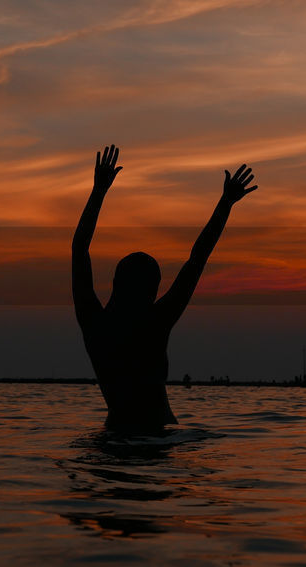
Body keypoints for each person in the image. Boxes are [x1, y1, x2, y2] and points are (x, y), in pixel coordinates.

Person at [72, 144, 257, 429]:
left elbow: (79, 250)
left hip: (116, 436)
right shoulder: (155, 323)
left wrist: (99, 190)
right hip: (158, 438)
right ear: (152, 291)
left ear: (115, 284)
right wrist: (225, 204)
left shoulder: (96, 325)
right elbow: (197, 259)